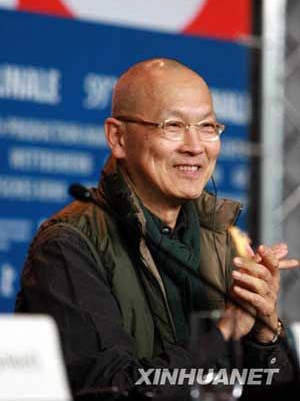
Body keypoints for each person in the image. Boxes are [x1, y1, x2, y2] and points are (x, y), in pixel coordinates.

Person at [15, 58, 298, 395]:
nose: (195, 147)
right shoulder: (67, 246)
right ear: (118, 137)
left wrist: (265, 333)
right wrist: (224, 331)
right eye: (172, 125)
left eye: (207, 127)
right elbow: (114, 390)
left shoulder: (224, 245)